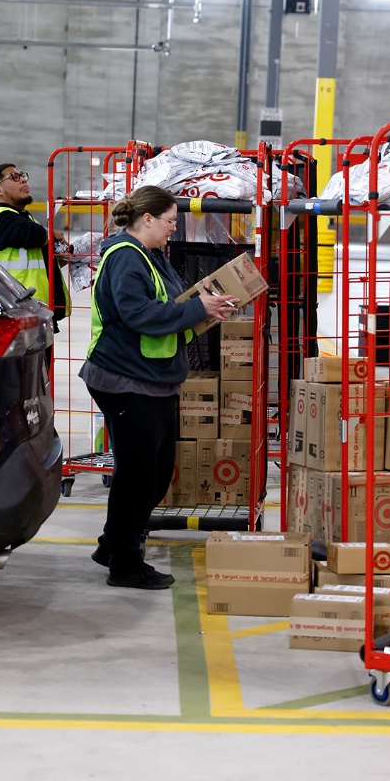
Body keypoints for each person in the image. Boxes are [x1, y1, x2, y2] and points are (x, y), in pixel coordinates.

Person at [79, 185, 238, 590]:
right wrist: (195, 309)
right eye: (169, 221)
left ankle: (112, 543)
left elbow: (172, 301)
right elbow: (138, 313)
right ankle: (125, 564)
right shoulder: (125, 258)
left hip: (153, 378)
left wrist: (203, 303)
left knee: (157, 472)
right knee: (137, 476)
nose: (172, 229)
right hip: (125, 379)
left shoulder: (150, 255)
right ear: (146, 219)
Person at [0, 163, 71, 338]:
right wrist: (50, 234)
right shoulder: (1, 216)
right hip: (17, 315)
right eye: (14, 176)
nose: (22, 179)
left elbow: (33, 256)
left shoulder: (21, 217)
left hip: (32, 314)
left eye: (23, 175)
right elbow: (33, 235)